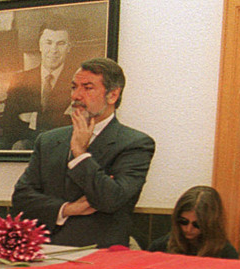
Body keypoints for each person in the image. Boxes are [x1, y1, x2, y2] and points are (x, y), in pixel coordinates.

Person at [10, 57, 154, 248]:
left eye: (87, 88)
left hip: (101, 256)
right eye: (74, 87)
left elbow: (111, 199)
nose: (76, 96)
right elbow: (21, 198)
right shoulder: (48, 140)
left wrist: (80, 154)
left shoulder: (135, 144)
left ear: (112, 95)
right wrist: (67, 209)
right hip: (43, 252)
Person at [0, 18, 75, 152]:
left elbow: (75, 129)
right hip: (26, 144)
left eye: (60, 43)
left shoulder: (78, 81)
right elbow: (9, 125)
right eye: (48, 43)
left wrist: (33, 118)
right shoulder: (20, 79)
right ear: (40, 45)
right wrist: (56, 118)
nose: (53, 50)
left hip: (62, 148)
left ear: (69, 47)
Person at [152, 185, 238, 258]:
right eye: (183, 221)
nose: (188, 229)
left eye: (197, 224)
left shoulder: (226, 253)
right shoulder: (160, 247)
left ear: (210, 224)